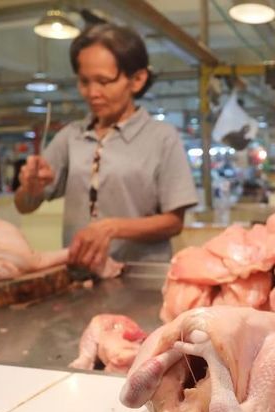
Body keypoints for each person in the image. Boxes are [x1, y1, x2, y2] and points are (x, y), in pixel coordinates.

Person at [14, 24, 197, 272]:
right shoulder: (71, 136)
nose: (92, 93)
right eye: (84, 81)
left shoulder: (161, 138)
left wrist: (112, 228)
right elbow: (25, 205)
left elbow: (174, 222)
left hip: (140, 276)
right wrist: (30, 188)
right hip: (80, 276)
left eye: (103, 81)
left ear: (137, 80)